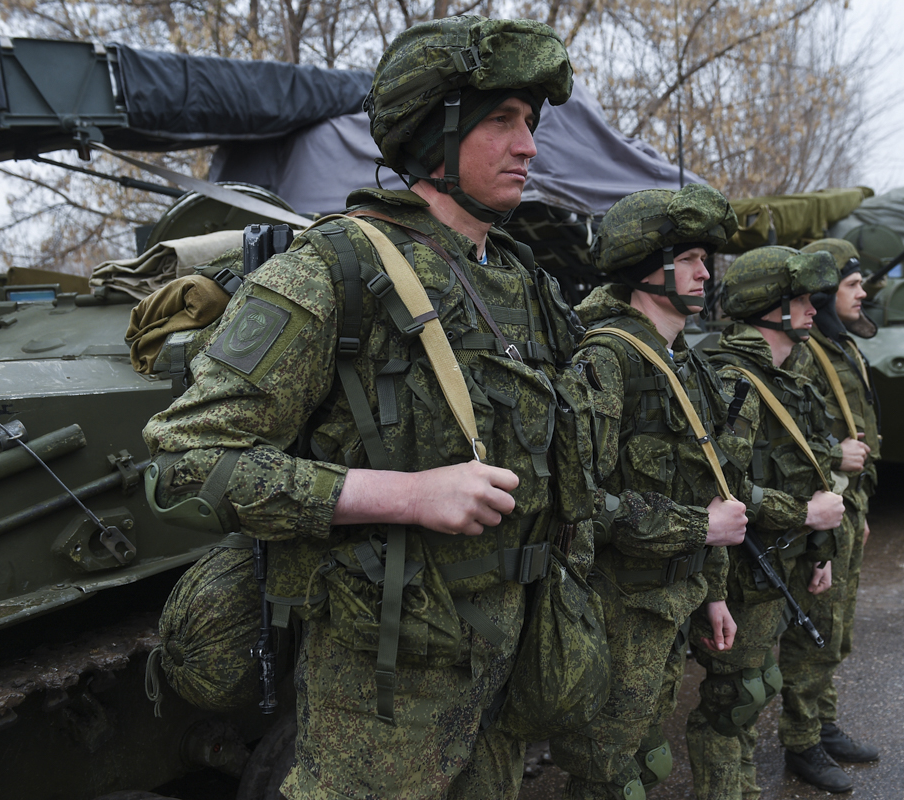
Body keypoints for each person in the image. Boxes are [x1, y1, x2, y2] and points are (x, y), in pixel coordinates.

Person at [142, 17, 579, 800]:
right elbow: (183, 466)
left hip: (504, 667)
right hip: (382, 689)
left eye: (531, 124)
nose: (529, 147)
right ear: (433, 134)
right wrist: (408, 495)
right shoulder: (333, 269)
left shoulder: (520, 282)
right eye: (502, 121)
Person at [548, 185, 747, 800]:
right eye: (688, 258)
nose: (704, 271)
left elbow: (707, 485)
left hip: (671, 604)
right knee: (605, 777)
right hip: (615, 611)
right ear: (647, 266)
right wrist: (699, 530)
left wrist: (712, 592)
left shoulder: (683, 362)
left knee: (643, 764)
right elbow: (578, 507)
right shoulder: (606, 360)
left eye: (705, 259)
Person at [690, 246, 847, 799]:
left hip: (776, 565)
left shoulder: (784, 379)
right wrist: (805, 516)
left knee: (753, 691)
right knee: (732, 703)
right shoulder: (736, 381)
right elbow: (720, 489)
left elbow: (811, 471)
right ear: (767, 306)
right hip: (740, 572)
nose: (812, 310)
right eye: (800, 299)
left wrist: (818, 546)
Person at [771, 239, 880, 793]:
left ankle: (824, 722)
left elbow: (867, 430)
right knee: (814, 629)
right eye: (852, 285)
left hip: (845, 504)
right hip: (819, 504)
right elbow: (786, 434)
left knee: (837, 626)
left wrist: (860, 505)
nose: (863, 293)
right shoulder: (807, 351)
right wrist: (834, 455)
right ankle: (802, 740)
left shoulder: (840, 347)